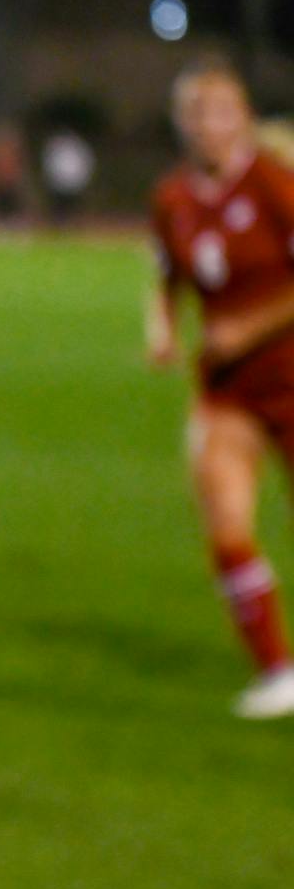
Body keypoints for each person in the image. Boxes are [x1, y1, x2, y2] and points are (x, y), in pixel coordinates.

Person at [146, 59, 294, 719]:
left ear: (243, 119)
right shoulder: (172, 199)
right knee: (225, 518)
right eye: (197, 114)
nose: (210, 126)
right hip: (226, 390)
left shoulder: (274, 183)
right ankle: (277, 670)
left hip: (290, 377)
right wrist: (162, 330)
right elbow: (164, 279)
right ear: (182, 124)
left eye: (222, 112)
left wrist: (248, 328)